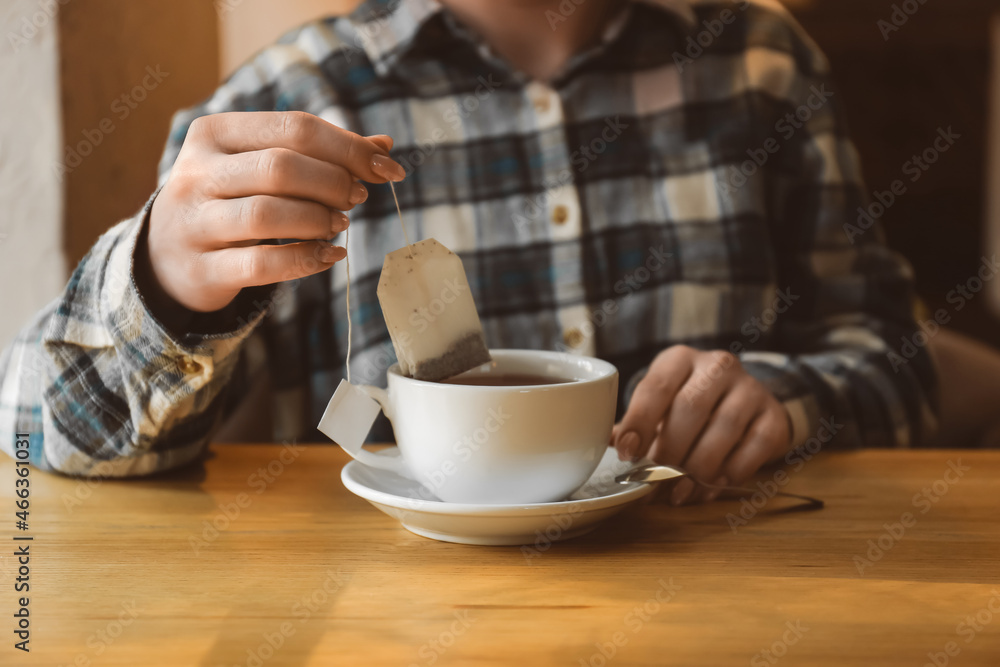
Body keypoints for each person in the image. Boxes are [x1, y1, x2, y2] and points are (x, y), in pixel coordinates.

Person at [0, 0, 936, 505]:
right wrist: (167, 287)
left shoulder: (761, 65)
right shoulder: (290, 103)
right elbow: (37, 436)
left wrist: (785, 397)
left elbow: (900, 359)